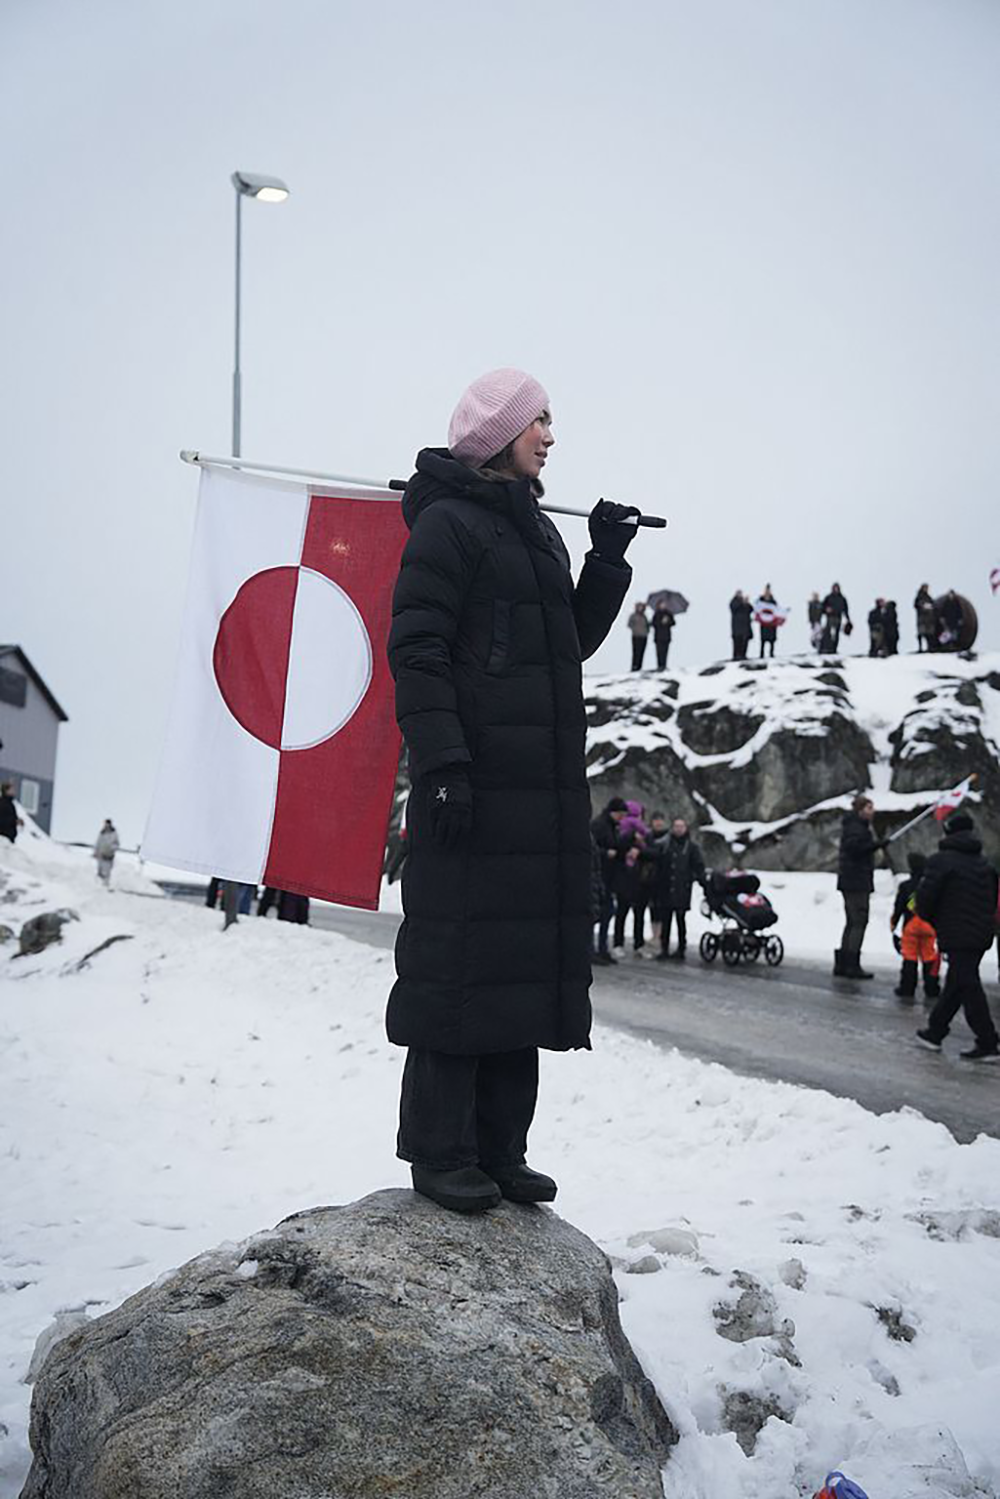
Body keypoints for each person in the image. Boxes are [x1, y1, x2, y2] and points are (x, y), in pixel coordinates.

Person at [387, 367, 637, 1214]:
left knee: (517, 969)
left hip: (538, 791)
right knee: (459, 967)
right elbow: (416, 654)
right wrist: (445, 766)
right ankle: (440, 1148)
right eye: (540, 421)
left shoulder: (536, 531)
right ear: (498, 434)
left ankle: (501, 1147)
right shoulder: (449, 527)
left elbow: (564, 641)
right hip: (476, 787)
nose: (552, 436)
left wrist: (604, 560)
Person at [915, 812, 1000, 1061]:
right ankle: (935, 1031)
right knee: (957, 981)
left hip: (957, 931)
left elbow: (925, 899)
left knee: (968, 984)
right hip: (981, 932)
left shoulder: (940, 861)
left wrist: (936, 921)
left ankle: (988, 1041)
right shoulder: (983, 863)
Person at [835, 794, 887, 979]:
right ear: (860, 810)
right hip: (856, 881)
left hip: (851, 880)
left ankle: (843, 963)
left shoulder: (854, 826)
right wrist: (874, 846)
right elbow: (855, 849)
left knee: (851, 922)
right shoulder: (857, 828)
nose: (872, 812)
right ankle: (851, 964)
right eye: (869, 808)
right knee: (858, 921)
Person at [653, 817, 706, 961]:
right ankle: (664, 948)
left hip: (682, 888)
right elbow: (658, 863)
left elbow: (698, 866)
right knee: (666, 920)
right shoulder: (665, 844)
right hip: (666, 887)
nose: (678, 829)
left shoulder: (691, 847)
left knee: (680, 919)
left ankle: (681, 948)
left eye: (681, 826)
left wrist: (696, 879)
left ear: (686, 828)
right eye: (676, 826)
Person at [890, 852, 940, 1001]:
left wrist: (894, 921)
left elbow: (899, 906)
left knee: (910, 957)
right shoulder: (932, 885)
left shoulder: (906, 886)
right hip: (928, 925)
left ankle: (907, 988)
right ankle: (931, 988)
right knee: (929, 956)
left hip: (911, 925)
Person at [591, 796, 628, 965]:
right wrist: (605, 853)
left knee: (607, 912)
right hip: (598, 876)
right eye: (620, 813)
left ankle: (602, 948)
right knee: (597, 913)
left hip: (609, 875)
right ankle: (591, 950)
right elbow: (589, 848)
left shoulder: (613, 826)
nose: (622, 817)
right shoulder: (599, 825)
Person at [611, 800, 650, 956]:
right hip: (630, 878)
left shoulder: (620, 829)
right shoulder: (640, 832)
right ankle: (630, 944)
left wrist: (638, 851)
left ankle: (626, 943)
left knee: (628, 913)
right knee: (629, 913)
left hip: (634, 878)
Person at [821, 583, 851, 651]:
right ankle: (828, 648)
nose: (836, 589)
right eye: (834, 588)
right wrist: (826, 610)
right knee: (828, 633)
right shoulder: (828, 597)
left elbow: (845, 609)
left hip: (838, 617)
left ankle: (834, 648)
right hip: (830, 617)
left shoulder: (842, 598)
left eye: (837, 588)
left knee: (836, 634)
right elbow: (822, 607)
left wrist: (848, 619)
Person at [754, 585, 780, 659]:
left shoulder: (773, 601)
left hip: (771, 624)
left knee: (772, 640)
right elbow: (756, 607)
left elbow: (777, 611)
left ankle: (771, 653)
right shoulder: (760, 600)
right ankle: (761, 653)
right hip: (764, 623)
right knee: (763, 639)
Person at [93, 819, 120, 886]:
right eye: (106, 824)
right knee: (100, 871)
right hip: (101, 854)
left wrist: (112, 847)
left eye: (108, 824)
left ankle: (106, 885)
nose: (107, 826)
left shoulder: (114, 833)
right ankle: (98, 885)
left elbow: (117, 844)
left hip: (109, 855)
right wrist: (95, 852)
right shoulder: (102, 833)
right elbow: (98, 843)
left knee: (107, 872)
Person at [652, 601, 675, 670]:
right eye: (662, 604)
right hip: (658, 636)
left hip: (666, 636)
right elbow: (653, 623)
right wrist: (661, 622)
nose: (663, 606)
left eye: (664, 604)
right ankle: (659, 665)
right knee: (659, 652)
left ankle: (664, 665)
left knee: (665, 651)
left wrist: (668, 621)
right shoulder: (656, 614)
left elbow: (673, 623)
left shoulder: (668, 613)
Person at [730, 591, 753, 660]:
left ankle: (743, 655)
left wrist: (747, 603)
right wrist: (742, 603)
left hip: (745, 627)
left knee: (745, 642)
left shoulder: (745, 604)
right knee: (737, 643)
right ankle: (736, 656)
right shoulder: (733, 602)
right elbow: (734, 608)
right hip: (737, 628)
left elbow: (751, 609)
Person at [914, 584, 936, 652]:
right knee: (921, 633)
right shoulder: (919, 596)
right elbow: (916, 605)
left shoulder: (928, 597)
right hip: (922, 618)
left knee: (929, 634)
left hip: (929, 619)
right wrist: (923, 606)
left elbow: (933, 605)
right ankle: (920, 648)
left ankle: (929, 647)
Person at [628, 601, 649, 671]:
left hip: (644, 636)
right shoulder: (633, 616)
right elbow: (629, 624)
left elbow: (647, 626)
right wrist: (635, 628)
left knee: (641, 652)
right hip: (636, 636)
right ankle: (634, 666)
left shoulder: (644, 616)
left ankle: (639, 666)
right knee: (636, 651)